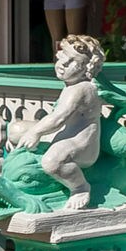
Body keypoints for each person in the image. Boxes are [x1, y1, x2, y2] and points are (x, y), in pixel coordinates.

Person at [12, 34, 104, 209]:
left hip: (82, 146)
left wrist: (36, 132)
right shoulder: (71, 85)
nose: (62, 64)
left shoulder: (81, 89)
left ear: (87, 69)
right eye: (61, 58)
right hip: (64, 134)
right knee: (16, 129)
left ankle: (80, 187)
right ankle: (26, 165)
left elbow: (59, 117)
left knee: (52, 161)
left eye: (72, 62)